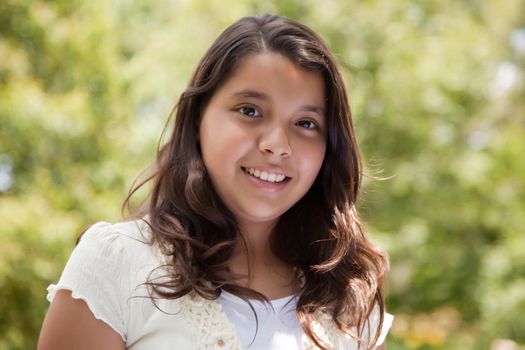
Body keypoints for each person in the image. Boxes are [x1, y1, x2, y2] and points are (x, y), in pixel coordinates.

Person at [38, 14, 393, 350]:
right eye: (250, 111)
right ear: (197, 121)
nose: (277, 145)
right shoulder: (118, 261)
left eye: (305, 124)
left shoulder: (347, 296)